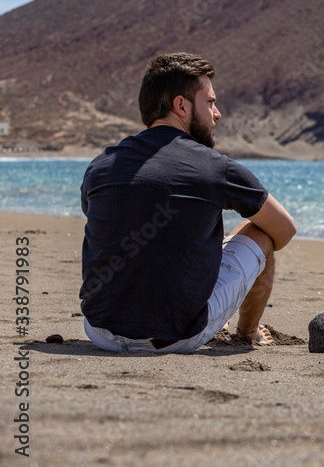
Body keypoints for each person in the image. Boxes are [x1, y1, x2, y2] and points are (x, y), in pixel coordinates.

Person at [79, 52, 296, 353]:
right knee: (260, 230)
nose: (217, 114)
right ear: (181, 106)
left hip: (99, 330)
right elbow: (284, 229)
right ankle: (246, 333)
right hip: (177, 337)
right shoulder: (216, 168)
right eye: (209, 102)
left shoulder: (101, 164)